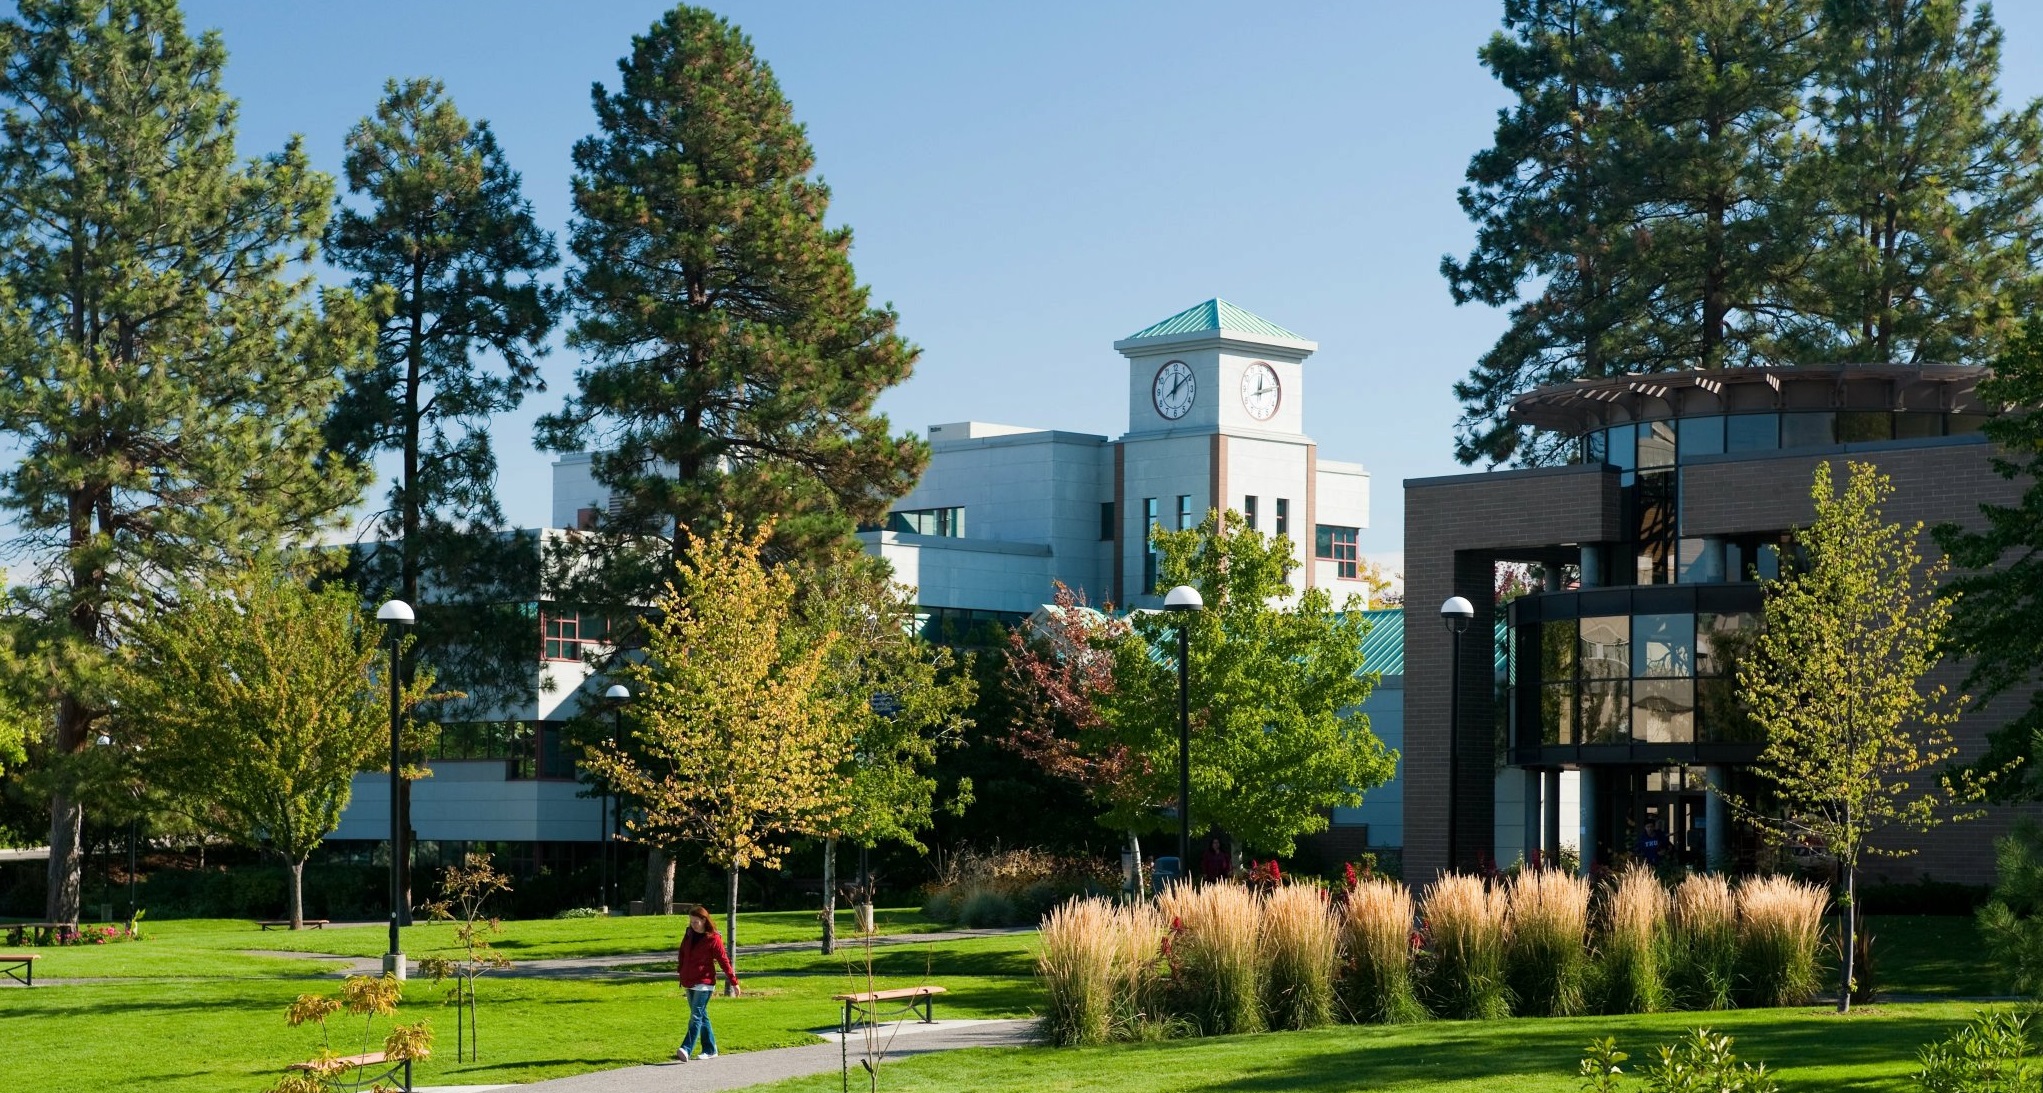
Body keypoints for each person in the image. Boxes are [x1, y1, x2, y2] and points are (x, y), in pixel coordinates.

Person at [674, 905, 740, 1062]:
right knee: (702, 1015)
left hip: (705, 982)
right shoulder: (689, 933)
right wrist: (681, 970)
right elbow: (683, 953)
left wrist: (734, 982)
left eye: (696, 921)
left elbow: (724, 961)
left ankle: (686, 1048)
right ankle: (710, 1049)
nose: (693, 924)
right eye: (691, 921)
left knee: (695, 1016)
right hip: (688, 980)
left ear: (704, 920)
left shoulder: (713, 938)